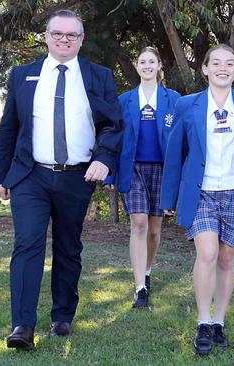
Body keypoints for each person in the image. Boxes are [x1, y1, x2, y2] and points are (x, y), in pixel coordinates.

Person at [0, 9, 123, 351]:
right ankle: (22, 324)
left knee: (68, 247)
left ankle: (62, 316)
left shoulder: (98, 76)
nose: (64, 40)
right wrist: (1, 176)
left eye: (72, 35)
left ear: (81, 39)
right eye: (57, 34)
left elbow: (114, 125)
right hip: (30, 176)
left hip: (76, 177)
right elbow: (10, 127)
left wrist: (104, 159)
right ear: (47, 37)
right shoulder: (23, 75)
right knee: (27, 245)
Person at [160, 44, 234, 356]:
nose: (222, 68)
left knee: (227, 259)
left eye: (229, 63)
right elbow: (175, 154)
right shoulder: (188, 105)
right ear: (205, 69)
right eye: (216, 63)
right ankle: (202, 321)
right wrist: (169, 195)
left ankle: (219, 323)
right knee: (208, 254)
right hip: (201, 192)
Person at [103, 47, 180, 308]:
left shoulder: (174, 100)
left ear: (159, 66)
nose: (147, 66)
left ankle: (147, 272)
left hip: (163, 170)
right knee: (138, 224)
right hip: (132, 168)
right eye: (142, 62)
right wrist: (110, 173)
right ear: (137, 67)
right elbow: (112, 137)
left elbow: (182, 140)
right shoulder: (124, 101)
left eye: (152, 62)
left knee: (155, 230)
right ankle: (139, 290)